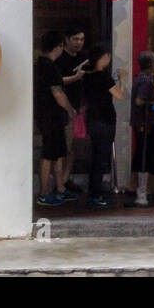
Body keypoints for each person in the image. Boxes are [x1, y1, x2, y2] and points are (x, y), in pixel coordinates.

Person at [35, 31, 77, 206]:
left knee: (58, 152)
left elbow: (58, 83)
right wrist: (70, 109)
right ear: (58, 47)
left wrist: (75, 77)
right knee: (48, 153)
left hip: (49, 116)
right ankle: (44, 193)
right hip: (50, 116)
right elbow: (57, 93)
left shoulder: (42, 64)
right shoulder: (49, 66)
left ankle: (60, 188)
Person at [82, 44, 126, 208]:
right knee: (101, 159)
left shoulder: (87, 76)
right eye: (107, 57)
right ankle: (95, 195)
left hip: (93, 120)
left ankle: (93, 193)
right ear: (101, 59)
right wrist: (122, 79)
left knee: (96, 158)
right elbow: (120, 95)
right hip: (105, 121)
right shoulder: (103, 76)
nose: (108, 60)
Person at [55, 24, 88, 201]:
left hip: (79, 109)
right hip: (63, 110)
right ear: (66, 40)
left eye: (81, 39)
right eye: (75, 39)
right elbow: (56, 83)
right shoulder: (59, 59)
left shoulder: (83, 58)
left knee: (73, 148)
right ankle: (59, 183)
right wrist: (74, 78)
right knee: (64, 147)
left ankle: (65, 179)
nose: (79, 43)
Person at [129, 51, 154, 208]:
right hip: (145, 124)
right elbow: (140, 100)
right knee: (145, 157)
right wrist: (152, 103)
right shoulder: (146, 81)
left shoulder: (139, 79)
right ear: (151, 64)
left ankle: (137, 188)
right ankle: (142, 193)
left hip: (139, 122)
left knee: (140, 155)